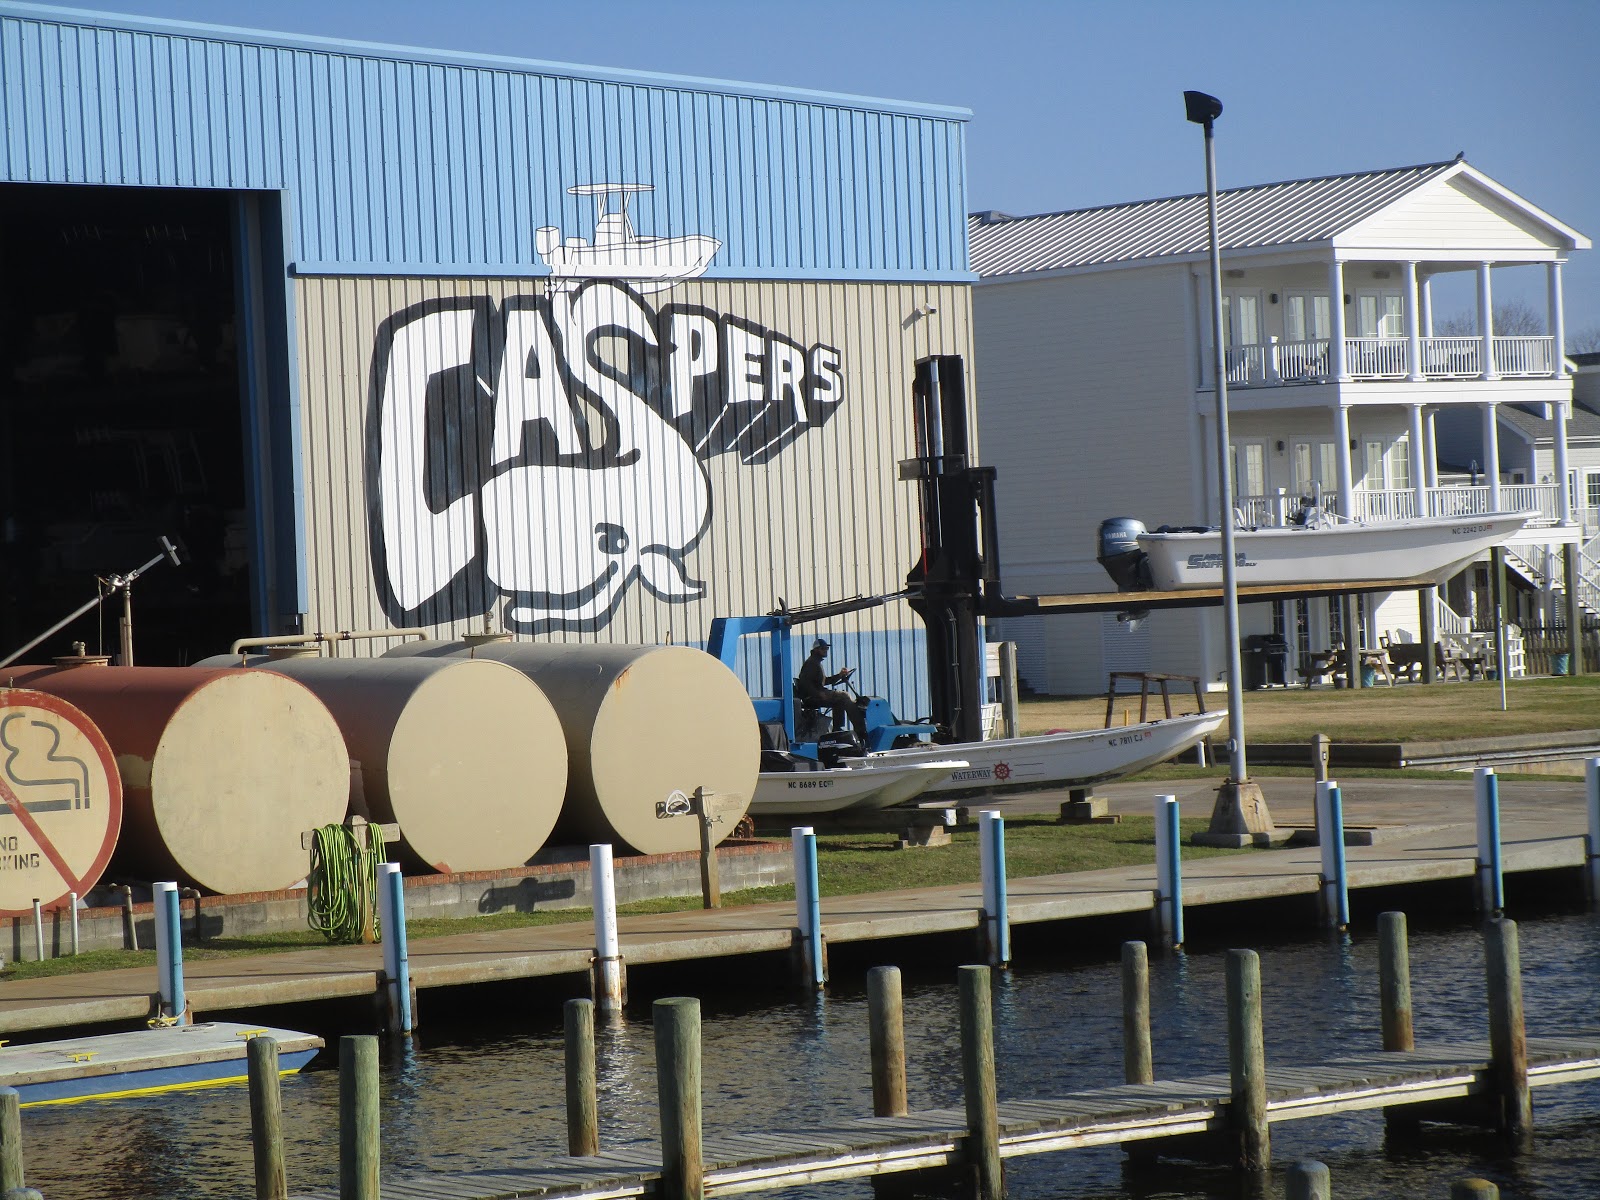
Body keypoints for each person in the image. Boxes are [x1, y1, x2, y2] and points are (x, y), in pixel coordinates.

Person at [795, 637, 869, 741]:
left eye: (826, 649)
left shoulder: (816, 663)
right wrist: (818, 694)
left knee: (840, 700)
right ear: (816, 649)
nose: (825, 651)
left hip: (817, 693)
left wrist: (839, 675)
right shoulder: (811, 663)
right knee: (844, 696)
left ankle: (837, 728)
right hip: (812, 697)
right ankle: (860, 729)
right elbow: (805, 683)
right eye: (823, 648)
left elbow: (824, 681)